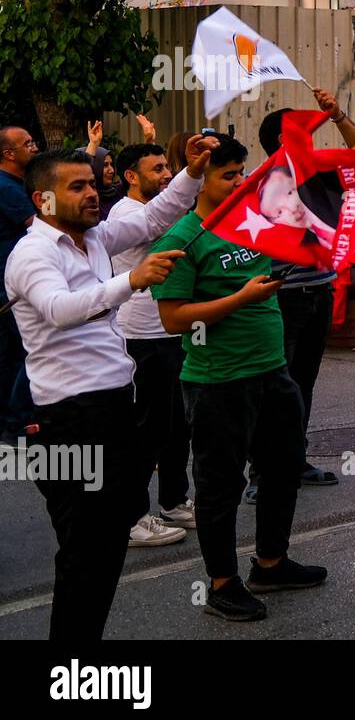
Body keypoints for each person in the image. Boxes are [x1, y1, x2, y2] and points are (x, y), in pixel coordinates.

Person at [4, 137, 214, 639]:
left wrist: (190, 172)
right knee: (85, 551)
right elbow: (59, 309)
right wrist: (132, 281)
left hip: (112, 409)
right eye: (77, 186)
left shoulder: (94, 237)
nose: (93, 194)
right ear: (43, 200)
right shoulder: (32, 253)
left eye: (94, 184)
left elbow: (152, 218)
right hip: (69, 423)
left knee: (104, 545)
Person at [152, 133, 328, 622]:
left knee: (282, 470)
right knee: (219, 485)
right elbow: (174, 318)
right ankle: (223, 584)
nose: (240, 183)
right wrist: (239, 300)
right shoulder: (183, 239)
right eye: (229, 176)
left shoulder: (248, 225)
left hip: (272, 372)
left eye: (242, 173)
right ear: (199, 181)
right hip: (217, 381)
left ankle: (271, 563)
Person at [252, 89, 355, 499]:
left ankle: (294, 460)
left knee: (302, 384)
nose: (313, 138)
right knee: (272, 386)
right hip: (280, 297)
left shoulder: (321, 173)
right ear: (283, 142)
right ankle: (260, 473)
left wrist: (338, 116)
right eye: (303, 131)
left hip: (318, 291)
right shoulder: (259, 184)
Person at [108, 143, 195, 548]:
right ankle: (132, 517)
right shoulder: (126, 216)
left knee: (177, 427)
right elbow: (167, 221)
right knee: (146, 430)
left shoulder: (162, 206)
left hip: (172, 332)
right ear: (130, 176)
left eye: (167, 167)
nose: (165, 174)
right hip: (141, 336)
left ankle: (175, 501)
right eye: (156, 169)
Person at [0, 126, 38, 431]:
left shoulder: (16, 183)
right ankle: (16, 422)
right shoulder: (6, 186)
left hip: (11, 282)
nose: (34, 147)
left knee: (13, 353)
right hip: (12, 285)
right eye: (28, 144)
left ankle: (10, 422)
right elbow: (37, 224)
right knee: (33, 347)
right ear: (8, 154)